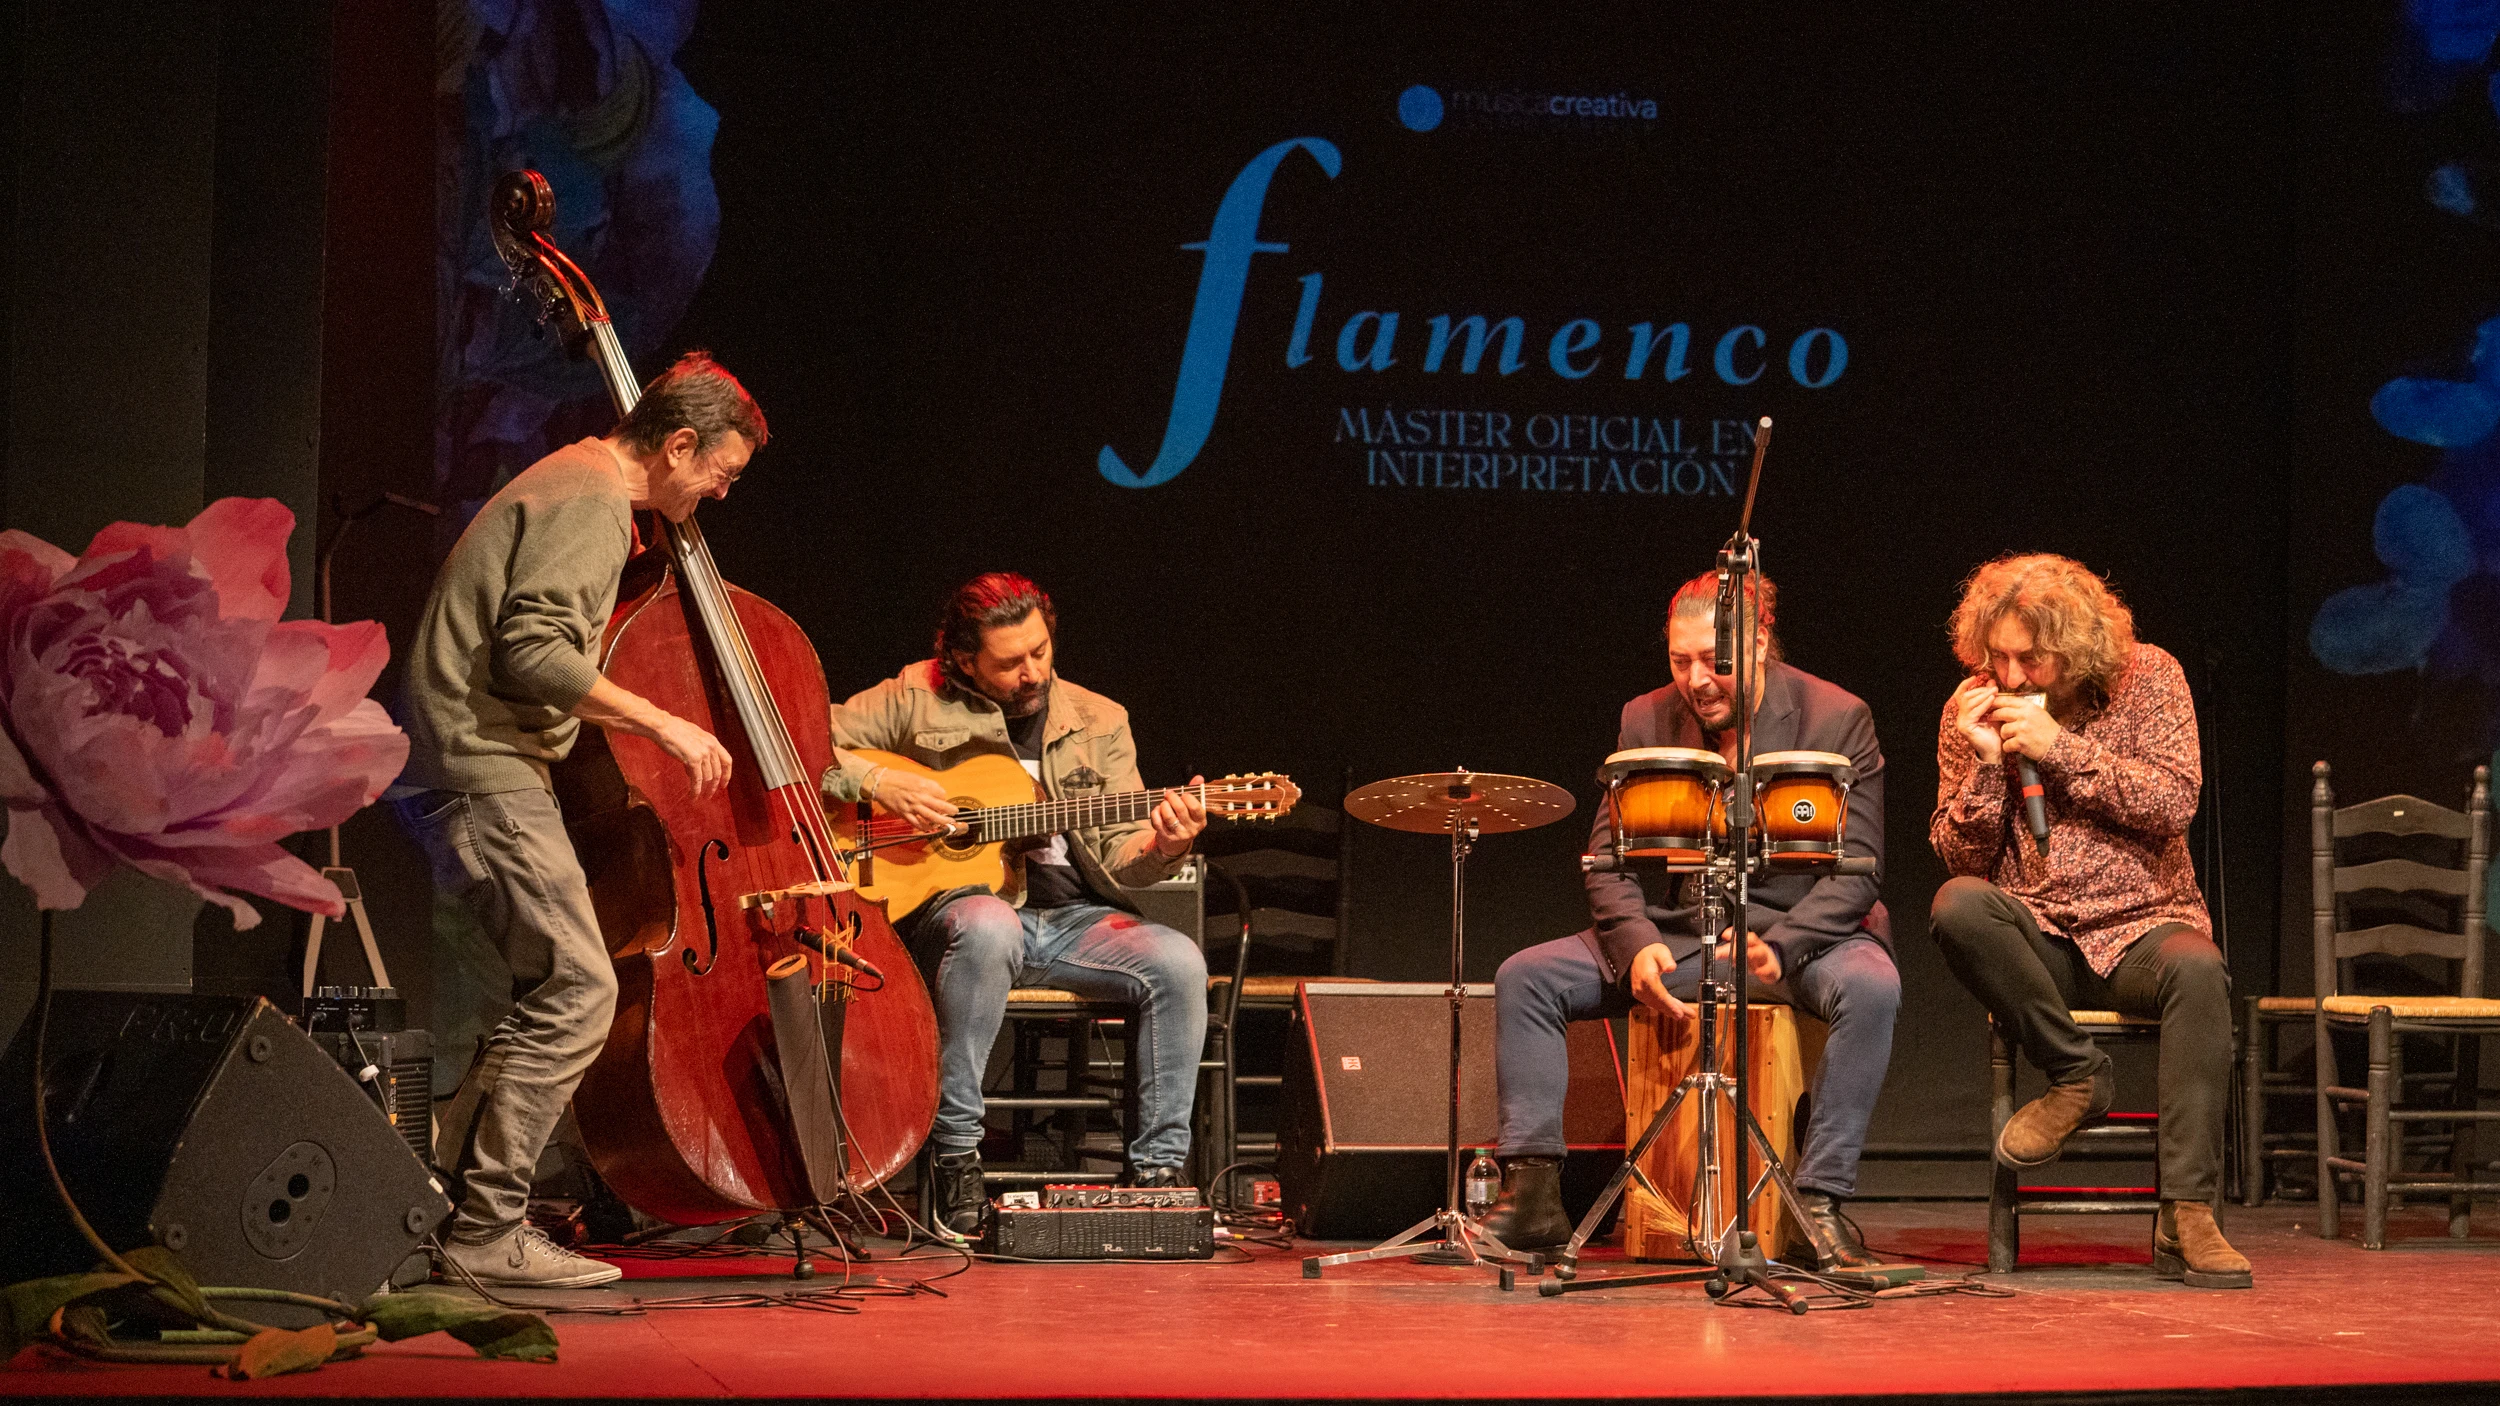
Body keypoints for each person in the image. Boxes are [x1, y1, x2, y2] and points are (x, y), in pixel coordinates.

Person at [393, 352, 764, 1288]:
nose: (719, 493)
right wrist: (663, 719)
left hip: (479, 761)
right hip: (488, 765)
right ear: (678, 445)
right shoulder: (595, 496)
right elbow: (533, 651)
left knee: (549, 991)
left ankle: (440, 1214)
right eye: (720, 472)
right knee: (579, 986)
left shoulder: (576, 484)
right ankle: (483, 1234)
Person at [1480, 570, 1897, 1269]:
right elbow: (1606, 858)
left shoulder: (1836, 716)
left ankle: (1820, 1203)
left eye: (1715, 662)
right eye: (1681, 661)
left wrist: (1784, 944)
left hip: (1802, 935)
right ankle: (1534, 1199)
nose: (1697, 680)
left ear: (1759, 643)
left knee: (1873, 988)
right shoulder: (1645, 716)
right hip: (1686, 933)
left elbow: (1859, 867)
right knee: (1526, 977)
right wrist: (1638, 944)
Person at [820, 572, 1209, 1238]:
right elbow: (803, 741)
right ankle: (956, 1159)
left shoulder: (1099, 719)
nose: (1031, 672)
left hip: (1072, 921)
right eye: (1009, 662)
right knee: (988, 923)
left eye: (1040, 652)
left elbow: (1124, 857)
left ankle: (1158, 1182)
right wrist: (882, 781)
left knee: (1178, 961)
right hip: (957, 915)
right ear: (964, 659)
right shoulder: (915, 695)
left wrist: (1166, 843)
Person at [1927, 552, 2247, 1289]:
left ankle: (2187, 1216)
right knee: (1958, 907)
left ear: (2074, 650)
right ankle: (2077, 1073)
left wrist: (2057, 751)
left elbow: (2173, 801)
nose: (2009, 676)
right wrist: (1984, 767)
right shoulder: (1968, 708)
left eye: (2029, 659)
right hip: (2041, 936)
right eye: (1996, 656)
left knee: (2200, 968)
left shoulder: (2153, 677)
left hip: (2145, 927)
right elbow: (1957, 855)